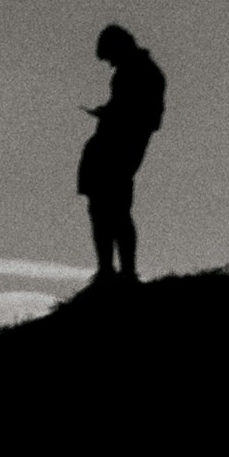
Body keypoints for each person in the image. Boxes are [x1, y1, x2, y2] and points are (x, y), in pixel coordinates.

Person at [78, 25, 165, 288]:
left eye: (109, 56)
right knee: (101, 207)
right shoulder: (134, 71)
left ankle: (125, 272)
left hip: (121, 148)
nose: (109, 64)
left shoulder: (145, 73)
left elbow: (149, 117)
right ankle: (108, 270)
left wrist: (114, 115)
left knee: (115, 209)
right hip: (111, 145)